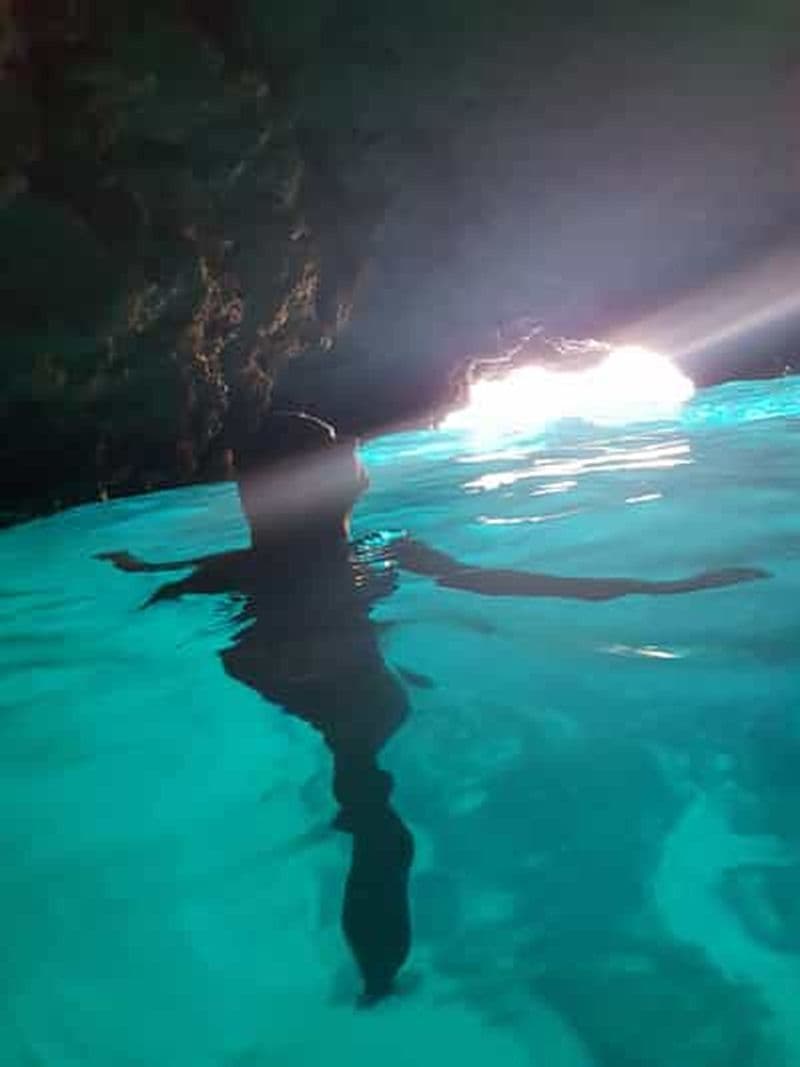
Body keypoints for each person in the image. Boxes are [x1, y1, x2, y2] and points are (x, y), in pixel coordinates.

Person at [97, 411, 768, 1002]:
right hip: (346, 668)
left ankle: (377, 971)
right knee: (365, 796)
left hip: (259, 659)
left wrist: (135, 566)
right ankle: (379, 975)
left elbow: (172, 586)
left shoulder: (231, 567)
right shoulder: (385, 547)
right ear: (344, 479)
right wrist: (667, 586)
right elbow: (501, 582)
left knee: (364, 794)